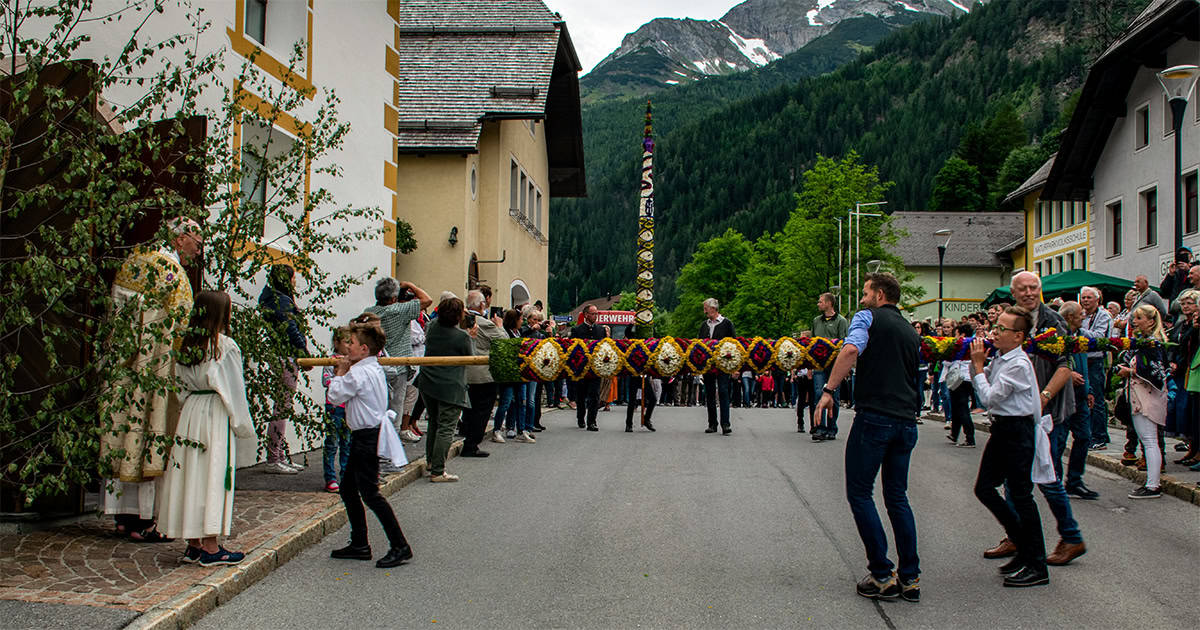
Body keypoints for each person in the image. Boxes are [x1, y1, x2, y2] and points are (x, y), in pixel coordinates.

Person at [814, 273, 921, 603]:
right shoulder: (909, 329)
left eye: (865, 293)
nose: (861, 299)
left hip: (876, 415)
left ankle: (881, 573)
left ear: (879, 294)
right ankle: (910, 576)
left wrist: (829, 389)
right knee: (897, 496)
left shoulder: (866, 318)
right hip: (906, 420)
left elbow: (850, 350)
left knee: (859, 492)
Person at [102, 217, 201, 542]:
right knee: (149, 433)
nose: (197, 253)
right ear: (180, 239)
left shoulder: (134, 261)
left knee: (125, 431)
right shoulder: (172, 274)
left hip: (124, 367)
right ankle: (146, 520)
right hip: (155, 371)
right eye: (196, 245)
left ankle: (123, 517)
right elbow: (183, 332)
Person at [987, 272, 1086, 567]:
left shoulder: (1051, 321)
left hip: (1048, 412)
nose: (1030, 292)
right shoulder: (1011, 319)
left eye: (1034, 288)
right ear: (1014, 293)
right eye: (1024, 289)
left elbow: (1064, 366)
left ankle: (1071, 536)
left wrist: (1041, 399)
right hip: (1019, 413)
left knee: (1047, 476)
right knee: (1014, 480)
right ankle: (1017, 535)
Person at [156, 291, 254, 566]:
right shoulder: (224, 346)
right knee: (212, 472)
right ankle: (211, 546)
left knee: (191, 473)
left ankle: (194, 543)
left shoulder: (187, 345)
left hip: (191, 412)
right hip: (214, 410)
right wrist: (242, 424)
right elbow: (234, 388)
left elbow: (178, 385)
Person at [968, 305, 1049, 588]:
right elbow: (978, 380)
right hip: (1003, 429)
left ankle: (1036, 563)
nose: (995, 332)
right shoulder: (1002, 358)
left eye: (1002, 329)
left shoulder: (1018, 363)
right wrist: (976, 362)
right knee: (985, 488)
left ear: (1018, 336)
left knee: (1021, 495)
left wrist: (979, 367)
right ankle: (1021, 545)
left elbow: (990, 397)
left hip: (1017, 430)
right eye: (995, 327)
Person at [326, 322, 414, 568]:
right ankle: (359, 543)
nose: (347, 348)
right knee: (347, 489)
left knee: (370, 494)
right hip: (365, 435)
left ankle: (399, 545)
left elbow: (334, 397)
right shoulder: (372, 367)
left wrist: (340, 372)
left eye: (351, 344)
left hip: (366, 437)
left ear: (364, 349)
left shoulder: (358, 372)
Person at [365, 277, 433, 439]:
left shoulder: (370, 312)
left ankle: (377, 439)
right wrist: (410, 284)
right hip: (399, 364)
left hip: (376, 364)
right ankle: (391, 441)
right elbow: (427, 300)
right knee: (396, 405)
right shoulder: (399, 310)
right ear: (394, 298)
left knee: (376, 406)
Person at [416, 295, 473, 482]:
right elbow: (469, 357)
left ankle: (431, 461)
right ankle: (438, 471)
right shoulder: (462, 336)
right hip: (450, 385)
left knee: (434, 422)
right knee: (446, 427)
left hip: (428, 381)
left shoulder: (431, 327)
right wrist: (470, 334)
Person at [259, 264, 310, 474]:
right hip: (285, 355)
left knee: (283, 406)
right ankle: (274, 455)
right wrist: (302, 349)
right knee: (282, 406)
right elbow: (290, 326)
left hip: (279, 353)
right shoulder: (281, 300)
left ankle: (278, 454)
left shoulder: (270, 297)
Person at [1117, 305, 1171, 499]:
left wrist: (1129, 371)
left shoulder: (1152, 345)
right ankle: (1151, 482)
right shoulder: (1147, 343)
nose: (1135, 321)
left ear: (1150, 321)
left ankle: (1153, 484)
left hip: (1146, 399)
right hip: (1141, 397)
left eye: (1139, 318)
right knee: (1149, 441)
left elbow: (1156, 373)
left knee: (1149, 441)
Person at [1057, 302, 1097, 499]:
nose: (1084, 316)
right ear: (1070, 317)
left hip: (1080, 397)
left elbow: (1085, 365)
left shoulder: (1081, 337)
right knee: (1058, 440)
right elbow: (1050, 364)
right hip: (1063, 397)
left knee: (1084, 437)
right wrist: (1067, 375)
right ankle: (1054, 480)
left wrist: (1089, 389)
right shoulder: (1056, 337)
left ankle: (1074, 480)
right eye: (1080, 314)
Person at [460, 290, 506, 458]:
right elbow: (503, 341)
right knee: (481, 411)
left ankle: (467, 436)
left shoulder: (461, 321)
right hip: (482, 374)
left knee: (469, 409)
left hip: (465, 372)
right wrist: (500, 326)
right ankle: (472, 444)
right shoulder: (484, 323)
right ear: (481, 305)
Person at [1079, 286, 1113, 453]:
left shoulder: (1103, 315)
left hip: (1097, 359)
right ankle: (1096, 433)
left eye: (1088, 298)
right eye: (1083, 298)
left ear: (1097, 299)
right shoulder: (1083, 315)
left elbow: (1100, 337)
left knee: (1097, 399)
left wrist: (1080, 331)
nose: (1085, 301)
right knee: (1088, 398)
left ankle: (1099, 437)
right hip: (1084, 358)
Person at [811, 292, 849, 441]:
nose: (818, 304)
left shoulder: (841, 321)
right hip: (819, 364)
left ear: (829, 303)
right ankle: (820, 427)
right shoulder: (816, 321)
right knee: (818, 394)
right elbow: (812, 343)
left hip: (835, 365)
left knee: (834, 395)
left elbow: (844, 343)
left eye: (821, 302)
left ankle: (832, 427)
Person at [321, 327, 353, 493]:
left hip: (348, 408)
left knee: (347, 443)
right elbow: (326, 381)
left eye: (351, 342)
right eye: (346, 342)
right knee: (332, 443)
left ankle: (346, 476)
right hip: (334, 407)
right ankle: (330, 477)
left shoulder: (353, 361)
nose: (348, 346)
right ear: (337, 343)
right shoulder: (331, 360)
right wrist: (338, 374)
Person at [699, 298, 736, 434]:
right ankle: (712, 423)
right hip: (708, 364)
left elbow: (734, 344)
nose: (704, 311)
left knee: (723, 391)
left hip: (723, 364)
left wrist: (734, 367)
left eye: (706, 308)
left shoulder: (727, 324)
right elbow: (699, 344)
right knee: (709, 393)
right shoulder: (704, 325)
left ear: (713, 308)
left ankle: (725, 424)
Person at [571, 305, 608, 431]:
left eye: (597, 314)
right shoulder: (577, 330)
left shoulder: (601, 330)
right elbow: (573, 349)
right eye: (593, 314)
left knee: (594, 395)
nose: (595, 316)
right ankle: (581, 417)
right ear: (586, 315)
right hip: (581, 369)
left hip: (595, 368)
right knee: (581, 395)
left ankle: (592, 421)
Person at [944, 323, 975, 447]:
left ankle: (970, 437)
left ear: (961, 334)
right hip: (968, 378)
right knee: (957, 407)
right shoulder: (973, 343)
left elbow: (948, 361)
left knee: (962, 408)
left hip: (959, 378)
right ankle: (954, 433)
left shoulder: (961, 344)